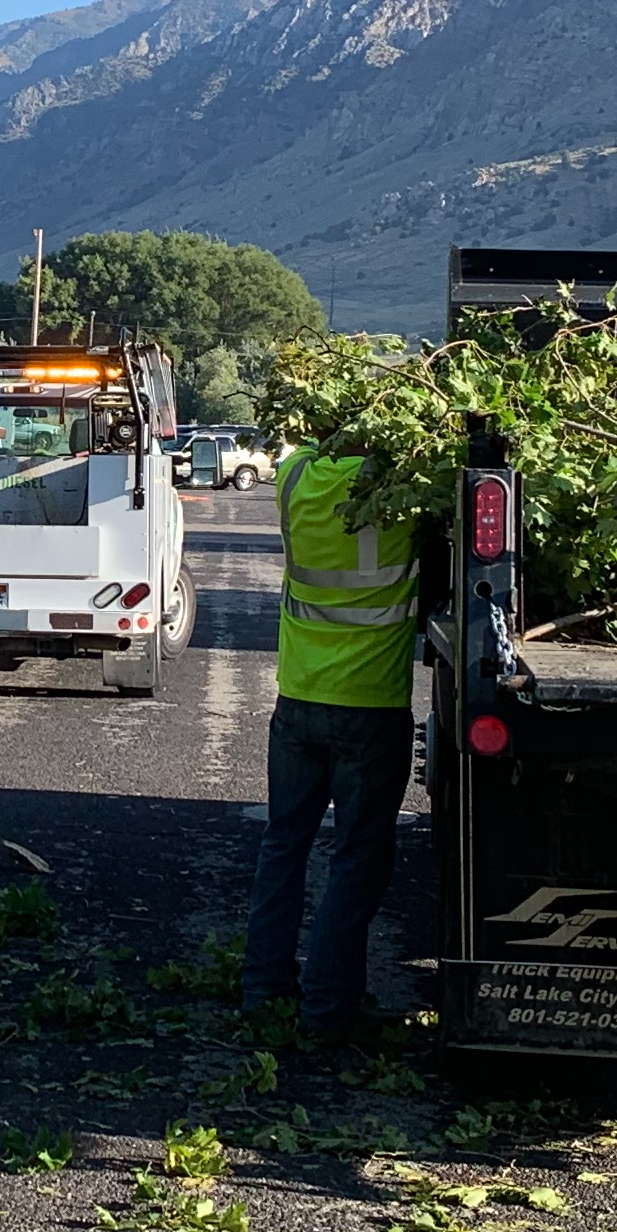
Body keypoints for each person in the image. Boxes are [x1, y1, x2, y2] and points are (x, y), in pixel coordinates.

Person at [242, 437, 421, 1039]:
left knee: (284, 845)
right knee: (356, 859)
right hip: (371, 703)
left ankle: (264, 990)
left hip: (298, 697)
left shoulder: (293, 478)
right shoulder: (407, 487)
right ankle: (328, 1010)